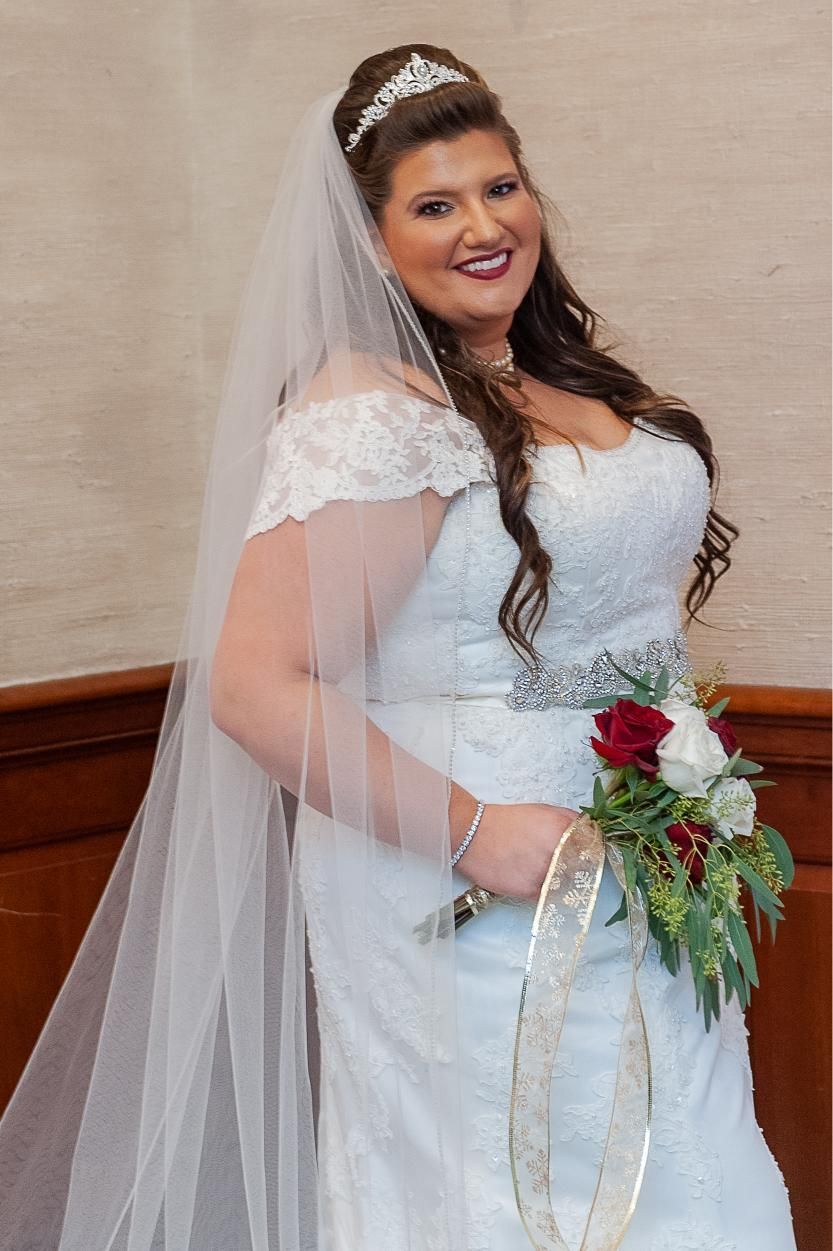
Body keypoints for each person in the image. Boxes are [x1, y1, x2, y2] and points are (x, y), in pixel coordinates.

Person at [0, 43, 796, 1251]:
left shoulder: (556, 381)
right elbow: (257, 689)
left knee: (674, 1150)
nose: (482, 225)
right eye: (433, 205)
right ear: (369, 241)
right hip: (469, 866)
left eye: (499, 186)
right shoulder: (376, 413)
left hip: (638, 845)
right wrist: (483, 834)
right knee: (531, 1183)